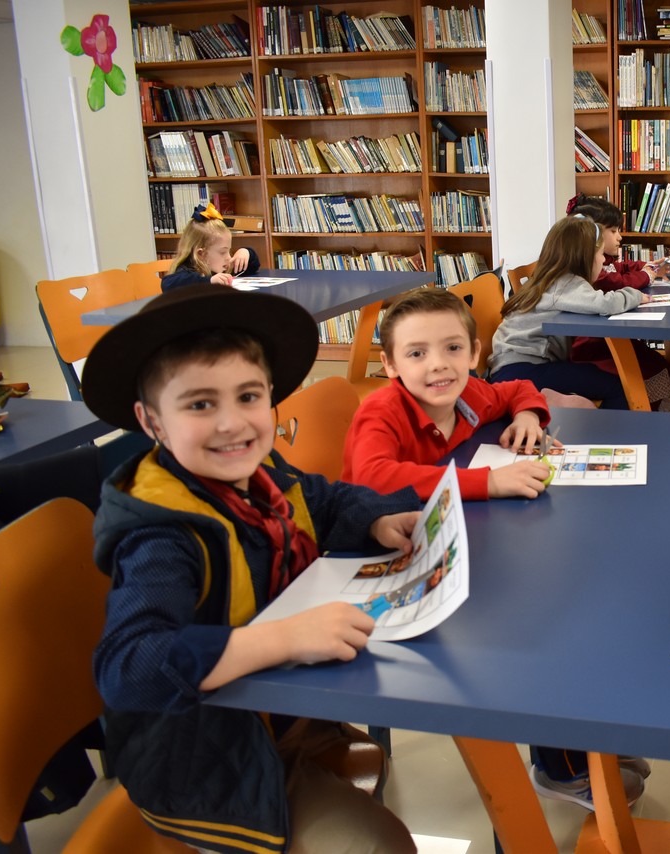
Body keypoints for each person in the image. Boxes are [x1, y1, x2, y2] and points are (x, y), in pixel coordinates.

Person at [81, 285, 421, 852]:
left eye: (248, 396)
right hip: (206, 758)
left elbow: (324, 499)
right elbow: (129, 666)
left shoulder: (261, 473)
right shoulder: (161, 534)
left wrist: (377, 520)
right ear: (152, 421)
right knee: (376, 846)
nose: (231, 424)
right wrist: (282, 638)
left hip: (288, 715)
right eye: (199, 404)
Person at [343, 287, 555, 501]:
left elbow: (519, 389)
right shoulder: (380, 412)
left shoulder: (469, 393)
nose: (438, 364)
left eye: (453, 348)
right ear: (390, 364)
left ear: (473, 353)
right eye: (416, 353)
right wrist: (489, 482)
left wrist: (527, 416)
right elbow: (373, 478)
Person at [488, 215, 651, 409]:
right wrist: (636, 296)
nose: (603, 260)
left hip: (509, 366)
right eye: (600, 254)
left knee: (596, 374)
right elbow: (604, 303)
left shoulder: (547, 278)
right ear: (585, 257)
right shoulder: (566, 283)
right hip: (523, 372)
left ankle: (578, 412)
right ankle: (604, 429)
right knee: (619, 388)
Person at [565, 195, 670, 411]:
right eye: (613, 231)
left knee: (656, 363)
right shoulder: (589, 268)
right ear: (593, 233)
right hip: (591, 346)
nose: (619, 237)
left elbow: (622, 268)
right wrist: (646, 275)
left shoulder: (603, 260)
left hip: (604, 337)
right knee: (651, 367)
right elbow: (615, 281)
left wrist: (646, 266)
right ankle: (646, 412)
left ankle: (656, 412)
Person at [160, 202, 260, 291]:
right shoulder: (186, 271)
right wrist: (209, 281)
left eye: (228, 251)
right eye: (223, 252)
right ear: (201, 254)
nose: (229, 257)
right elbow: (168, 284)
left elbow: (253, 267)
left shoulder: (220, 267)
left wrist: (246, 252)